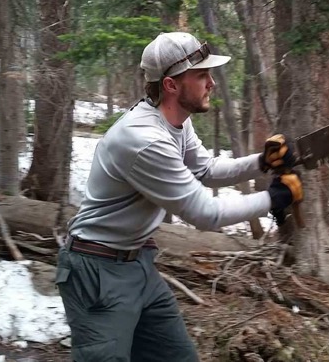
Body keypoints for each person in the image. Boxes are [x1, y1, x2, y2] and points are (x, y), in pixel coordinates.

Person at [55, 32, 304, 362]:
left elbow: (207, 170)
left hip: (138, 263)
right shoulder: (144, 140)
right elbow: (204, 213)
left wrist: (261, 162)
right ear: (171, 85)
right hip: (96, 272)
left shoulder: (174, 122)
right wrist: (275, 197)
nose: (211, 84)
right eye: (202, 75)